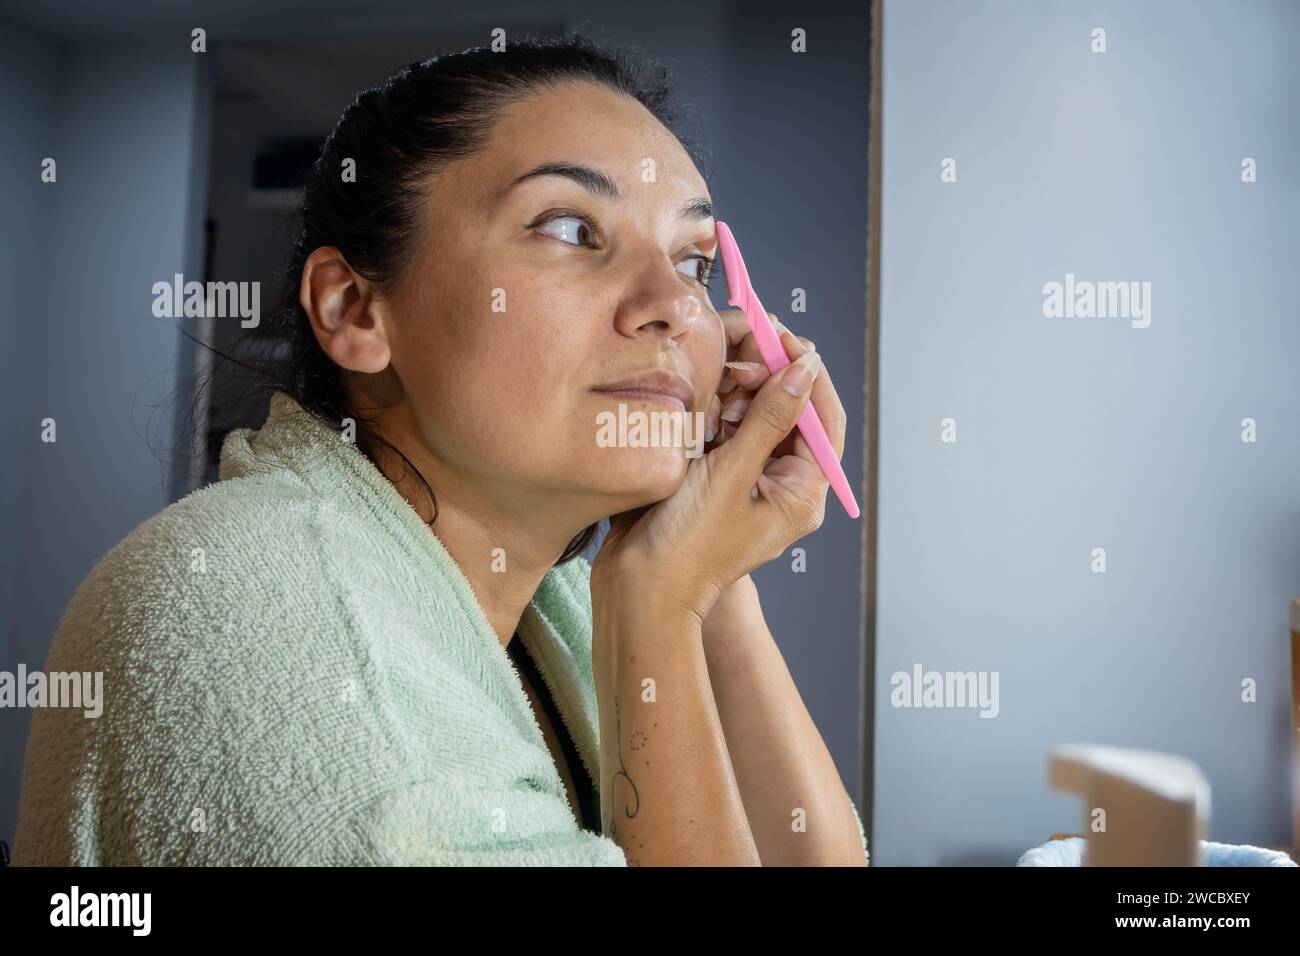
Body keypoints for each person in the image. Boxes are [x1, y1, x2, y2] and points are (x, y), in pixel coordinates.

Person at [12, 33, 867, 866]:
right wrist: (659, 605)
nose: (674, 307)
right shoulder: (265, 616)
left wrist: (708, 590)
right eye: (570, 228)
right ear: (354, 309)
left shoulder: (545, 606)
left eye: (694, 262)